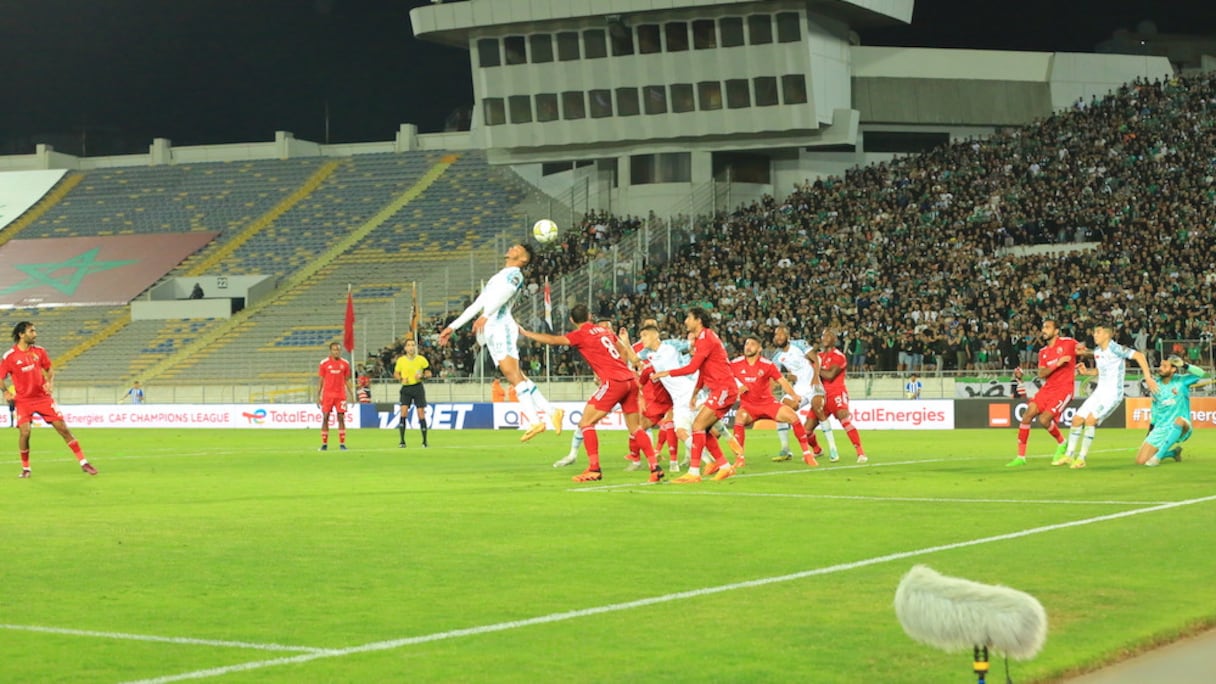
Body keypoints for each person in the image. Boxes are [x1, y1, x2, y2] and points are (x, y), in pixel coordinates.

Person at [519, 304, 664, 484]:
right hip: (629, 380)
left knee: (586, 423)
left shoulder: (580, 334)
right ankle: (654, 467)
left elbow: (553, 340)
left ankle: (594, 468)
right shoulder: (604, 331)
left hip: (613, 382)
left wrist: (526, 333)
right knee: (636, 428)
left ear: (572, 320)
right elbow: (622, 350)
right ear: (589, 315)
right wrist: (620, 366)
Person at [438, 243, 563, 442]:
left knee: (512, 374)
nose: (512, 248)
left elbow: (503, 296)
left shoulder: (515, 275)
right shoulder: (499, 276)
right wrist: (453, 327)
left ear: (523, 259)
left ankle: (535, 421)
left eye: (517, 248)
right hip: (492, 329)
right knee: (517, 375)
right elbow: (477, 304)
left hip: (502, 327)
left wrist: (486, 315)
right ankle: (551, 411)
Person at [652, 307, 738, 483]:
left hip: (724, 389)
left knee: (698, 425)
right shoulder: (703, 338)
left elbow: (691, 368)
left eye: (688, 318)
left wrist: (666, 373)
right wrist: (695, 393)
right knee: (703, 428)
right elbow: (702, 371)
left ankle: (694, 472)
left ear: (698, 320)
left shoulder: (706, 338)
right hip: (719, 389)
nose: (685, 322)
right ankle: (724, 466)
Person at [0, 322, 98, 477]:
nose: (35, 334)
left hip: (43, 398)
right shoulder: (10, 356)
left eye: (35, 331)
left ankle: (84, 462)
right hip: (23, 400)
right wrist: (5, 392)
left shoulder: (40, 351)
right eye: (31, 331)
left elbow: (50, 370)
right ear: (21, 334)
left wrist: (49, 382)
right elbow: (1, 377)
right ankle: (26, 469)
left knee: (63, 429)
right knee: (25, 433)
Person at [1056, 324, 1157, 469]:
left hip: (1112, 394)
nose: (1094, 335)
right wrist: (1087, 372)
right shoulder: (1098, 351)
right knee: (1077, 419)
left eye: (1098, 332)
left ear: (1107, 335)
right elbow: (1100, 371)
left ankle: (1081, 458)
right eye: (1094, 332)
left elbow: (1139, 356)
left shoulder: (1115, 348)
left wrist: (1148, 378)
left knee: (1090, 420)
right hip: (1099, 392)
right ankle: (1069, 455)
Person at [732, 335, 819, 468]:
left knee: (793, 416)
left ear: (759, 348)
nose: (748, 347)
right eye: (746, 344)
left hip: (768, 404)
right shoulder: (735, 363)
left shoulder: (767, 365)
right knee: (739, 417)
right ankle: (740, 458)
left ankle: (807, 454)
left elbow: (782, 381)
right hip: (749, 407)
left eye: (752, 344)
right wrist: (737, 386)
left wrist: (794, 395)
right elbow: (724, 377)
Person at [1007, 319, 1075, 467]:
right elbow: (1042, 373)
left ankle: (1062, 443)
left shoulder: (1068, 343)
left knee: (1044, 420)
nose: (1044, 330)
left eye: (1048, 327)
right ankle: (1021, 457)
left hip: (1064, 389)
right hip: (1048, 388)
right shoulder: (1043, 352)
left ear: (1056, 331)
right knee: (1027, 414)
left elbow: (1083, 350)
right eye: (1043, 327)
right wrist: (1058, 363)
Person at [772, 325, 838, 463]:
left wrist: (815, 377)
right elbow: (776, 378)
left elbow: (816, 359)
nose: (778, 337)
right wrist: (788, 378)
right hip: (799, 389)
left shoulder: (799, 344)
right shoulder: (777, 357)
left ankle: (833, 449)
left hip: (813, 385)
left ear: (787, 336)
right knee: (780, 412)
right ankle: (785, 449)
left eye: (781, 334)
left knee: (819, 411)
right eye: (776, 335)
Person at [1136, 355, 1210, 467]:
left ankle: (1158, 457)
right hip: (1161, 427)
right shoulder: (1155, 384)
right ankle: (1173, 453)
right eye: (1161, 365)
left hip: (1182, 424)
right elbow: (1155, 409)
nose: (1160, 368)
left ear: (1173, 369)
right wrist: (1150, 430)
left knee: (1179, 420)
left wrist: (1184, 365)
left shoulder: (1182, 381)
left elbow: (1202, 374)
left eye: (1165, 366)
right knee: (1140, 461)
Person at [807, 329, 867, 464]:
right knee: (806, 431)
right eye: (823, 335)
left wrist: (813, 367)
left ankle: (860, 452)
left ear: (835, 339)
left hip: (836, 393)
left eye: (829, 335)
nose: (825, 337)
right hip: (820, 395)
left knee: (843, 418)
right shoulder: (818, 356)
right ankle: (817, 449)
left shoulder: (839, 356)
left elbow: (830, 375)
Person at [393, 338, 431, 448]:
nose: (411, 347)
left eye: (413, 345)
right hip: (406, 389)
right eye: (409, 345)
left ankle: (424, 441)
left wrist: (422, 376)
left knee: (421, 414)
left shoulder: (421, 360)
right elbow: (396, 373)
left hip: (418, 387)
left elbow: (429, 373)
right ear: (405, 348)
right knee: (403, 413)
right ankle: (402, 441)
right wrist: (400, 379)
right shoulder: (401, 360)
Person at [316, 341, 354, 451]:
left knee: (341, 418)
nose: (336, 352)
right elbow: (321, 380)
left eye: (338, 350)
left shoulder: (345, 363)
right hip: (328, 395)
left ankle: (342, 444)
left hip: (340, 395)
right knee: (325, 417)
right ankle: (324, 444)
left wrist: (351, 394)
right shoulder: (324, 363)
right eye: (334, 350)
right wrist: (318, 395)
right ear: (330, 351)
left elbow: (347, 380)